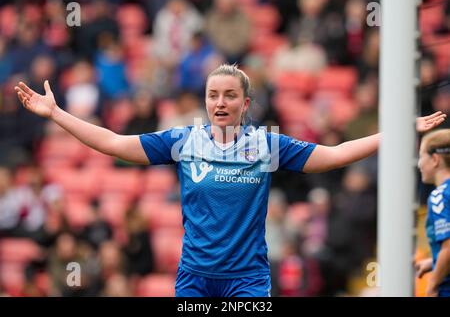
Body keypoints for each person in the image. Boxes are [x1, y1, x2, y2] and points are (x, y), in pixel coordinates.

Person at [15, 64, 446, 297]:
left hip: (248, 279)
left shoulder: (267, 144)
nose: (220, 103)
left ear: (245, 103)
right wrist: (56, 114)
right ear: (205, 100)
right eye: (212, 95)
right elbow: (112, 142)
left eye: (230, 95)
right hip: (195, 278)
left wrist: (397, 132)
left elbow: (333, 156)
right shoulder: (183, 140)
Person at [416, 129, 450, 297]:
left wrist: (433, 286)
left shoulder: (440, 196)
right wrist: (434, 262)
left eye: (421, 156)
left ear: (435, 159)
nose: (419, 163)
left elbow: (449, 246)